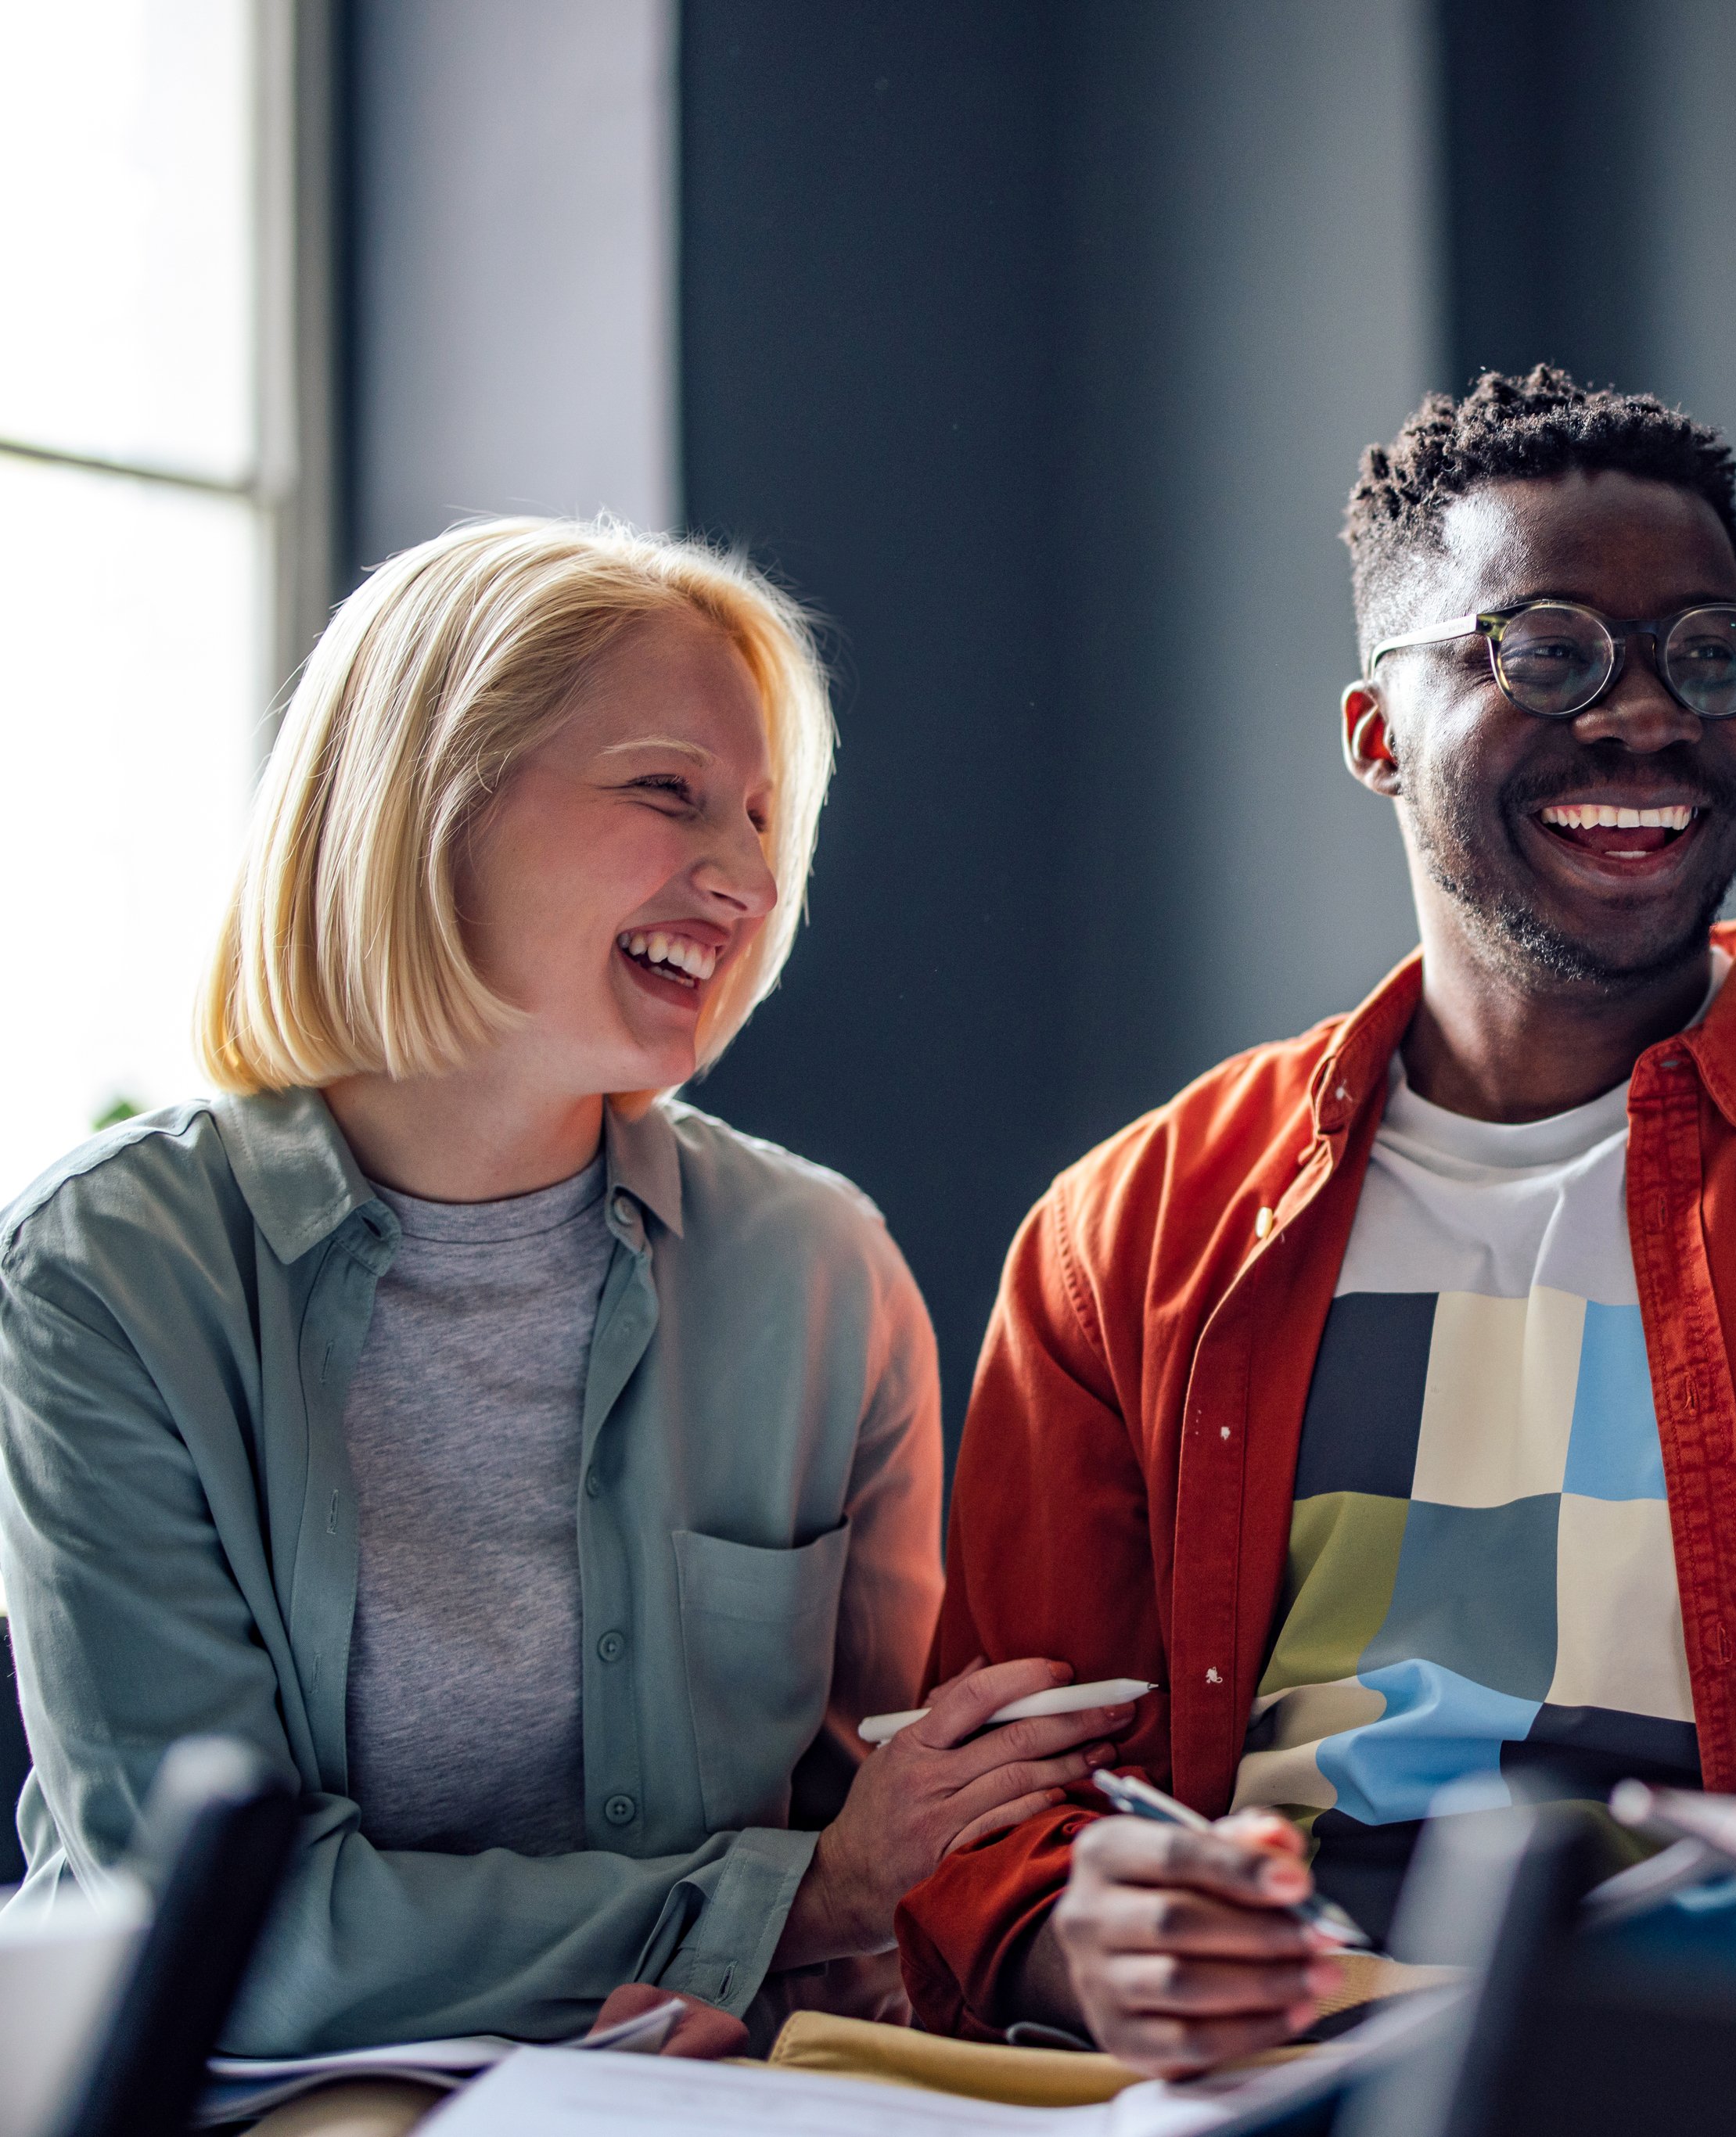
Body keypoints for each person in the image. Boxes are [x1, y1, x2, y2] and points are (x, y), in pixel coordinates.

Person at [894, 368, 1736, 2073]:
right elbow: (1008, 1787)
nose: (1649, 715)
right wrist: (1078, 1936)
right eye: (1548, 653)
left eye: (1707, 650)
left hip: (1706, 2081)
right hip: (1233, 2082)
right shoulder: (1126, 1229)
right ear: (1376, 735)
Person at [0, 518, 1124, 2053]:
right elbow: (212, 1937)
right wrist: (787, 1904)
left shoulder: (818, 1264)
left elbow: (891, 1845)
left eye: (764, 818)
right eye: (668, 791)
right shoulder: (99, 1276)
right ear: (428, 802)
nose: (741, 876)